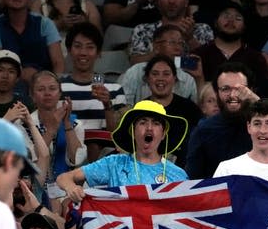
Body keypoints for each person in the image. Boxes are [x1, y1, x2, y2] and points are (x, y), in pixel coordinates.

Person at [58, 100, 188, 198]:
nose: (149, 128)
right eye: (143, 122)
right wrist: (71, 188)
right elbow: (64, 178)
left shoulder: (178, 175)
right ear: (133, 131)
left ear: (163, 133)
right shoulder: (114, 164)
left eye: (156, 123)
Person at [62, 22, 127, 162]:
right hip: (65, 157)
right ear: (69, 50)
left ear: (98, 53)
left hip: (104, 161)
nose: (83, 52)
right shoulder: (58, 89)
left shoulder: (115, 89)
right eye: (77, 46)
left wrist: (107, 106)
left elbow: (118, 137)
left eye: (90, 47)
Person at [185, 61, 260, 179]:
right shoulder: (203, 130)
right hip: (215, 194)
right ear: (216, 92)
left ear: (251, 90)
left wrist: (257, 102)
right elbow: (193, 179)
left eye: (240, 89)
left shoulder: (262, 128)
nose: (233, 95)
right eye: (225, 89)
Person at [29, 70, 87, 202]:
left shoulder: (75, 124)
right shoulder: (24, 124)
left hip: (65, 186)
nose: (47, 93)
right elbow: (33, 158)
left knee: (70, 208)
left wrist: (66, 125)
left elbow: (77, 160)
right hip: (34, 186)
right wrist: (52, 128)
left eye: (52, 88)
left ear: (60, 93)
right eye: (41, 89)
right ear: (32, 95)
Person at [0, 0, 64, 83]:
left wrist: (53, 84)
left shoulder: (45, 23)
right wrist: (22, 73)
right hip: (8, 82)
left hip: (44, 83)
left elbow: (58, 63)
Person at [144, 54, 202, 168]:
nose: (160, 78)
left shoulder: (189, 108)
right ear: (147, 78)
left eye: (166, 74)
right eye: (155, 74)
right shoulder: (140, 109)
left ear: (175, 78)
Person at [120, 24, 199, 105]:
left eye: (180, 43)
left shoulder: (187, 78)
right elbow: (124, 107)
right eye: (172, 43)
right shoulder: (135, 72)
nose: (178, 48)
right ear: (157, 47)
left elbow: (198, 110)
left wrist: (200, 78)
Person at [193, 2, 268, 85]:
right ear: (215, 22)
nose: (231, 20)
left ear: (244, 26)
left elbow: (264, 91)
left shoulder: (256, 58)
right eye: (226, 16)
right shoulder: (198, 54)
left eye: (238, 18)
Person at [128, 0, 213, 65]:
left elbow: (209, 63)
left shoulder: (203, 29)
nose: (171, 1)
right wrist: (158, 51)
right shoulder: (143, 30)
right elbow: (134, 63)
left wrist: (190, 39)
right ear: (158, 2)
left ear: (186, 1)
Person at [30, 0, 103, 55]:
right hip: (49, 59)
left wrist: (85, 25)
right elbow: (33, 38)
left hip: (82, 58)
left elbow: (99, 40)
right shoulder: (38, 4)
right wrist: (59, 24)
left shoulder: (88, 5)